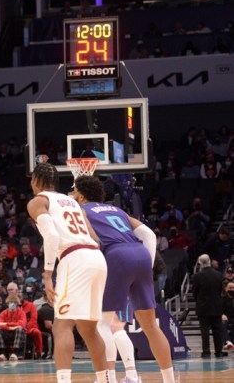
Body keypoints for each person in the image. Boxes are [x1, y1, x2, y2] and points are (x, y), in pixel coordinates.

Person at [73, 175, 176, 383]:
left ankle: (108, 379)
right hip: (140, 254)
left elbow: (92, 241)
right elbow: (148, 234)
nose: (73, 196)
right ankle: (170, 380)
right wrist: (147, 265)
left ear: (81, 196)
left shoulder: (81, 210)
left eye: (75, 192)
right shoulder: (118, 210)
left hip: (115, 256)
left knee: (104, 323)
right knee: (151, 326)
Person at [26, 162, 109, 383]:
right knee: (89, 329)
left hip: (74, 259)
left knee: (62, 325)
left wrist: (46, 275)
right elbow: (96, 240)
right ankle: (105, 379)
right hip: (96, 259)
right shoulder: (73, 203)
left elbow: (52, 237)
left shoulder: (38, 202)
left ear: (35, 181)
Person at [193, 254, 226, 358]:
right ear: (210, 262)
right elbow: (221, 290)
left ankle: (206, 352)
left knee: (205, 330)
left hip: (203, 307)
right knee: (217, 330)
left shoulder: (197, 276)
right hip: (216, 306)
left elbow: (195, 292)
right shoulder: (219, 274)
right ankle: (219, 351)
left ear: (200, 263)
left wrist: (200, 300)